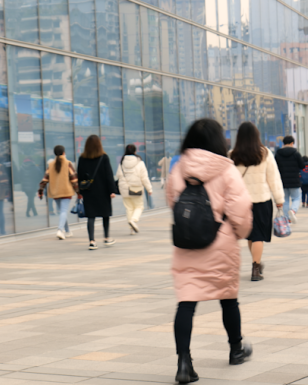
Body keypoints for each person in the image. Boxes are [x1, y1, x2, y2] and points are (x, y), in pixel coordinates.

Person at [166, 118, 253, 384]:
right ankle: (236, 349)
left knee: (186, 303)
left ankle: (184, 361)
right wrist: (238, 234)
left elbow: (173, 202)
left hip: (187, 243)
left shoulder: (179, 168)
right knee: (228, 298)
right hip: (220, 243)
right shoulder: (227, 171)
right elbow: (240, 211)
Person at [230, 122, 284, 281]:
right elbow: (273, 178)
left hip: (241, 202)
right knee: (259, 235)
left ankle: (256, 263)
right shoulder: (265, 153)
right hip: (262, 199)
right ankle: (256, 267)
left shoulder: (232, 155)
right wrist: (279, 199)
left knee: (250, 235)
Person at [78, 135, 117, 250]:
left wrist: (79, 191)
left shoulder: (82, 158)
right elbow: (109, 175)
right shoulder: (104, 157)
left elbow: (79, 176)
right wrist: (112, 190)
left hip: (88, 191)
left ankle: (92, 241)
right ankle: (106, 238)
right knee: (105, 214)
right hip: (103, 191)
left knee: (91, 216)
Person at [38, 145, 79, 240]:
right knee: (63, 211)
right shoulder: (68, 163)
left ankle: (68, 231)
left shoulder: (51, 164)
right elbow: (74, 179)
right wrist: (78, 192)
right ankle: (60, 230)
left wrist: (40, 190)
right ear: (64, 153)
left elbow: (45, 179)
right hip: (66, 191)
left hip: (55, 192)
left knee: (62, 212)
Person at [116, 144, 153, 234]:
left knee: (129, 208)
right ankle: (133, 220)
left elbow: (118, 175)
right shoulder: (140, 163)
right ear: (135, 152)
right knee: (139, 206)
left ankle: (131, 229)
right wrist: (149, 189)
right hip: (136, 188)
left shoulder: (122, 163)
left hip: (124, 188)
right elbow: (144, 177)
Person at [274, 136, 304, 224]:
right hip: (294, 180)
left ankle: (288, 219)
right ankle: (293, 211)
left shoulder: (278, 154)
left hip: (282, 181)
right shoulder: (296, 153)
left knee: (285, 200)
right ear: (292, 143)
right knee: (296, 198)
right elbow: (302, 165)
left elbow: (275, 167)